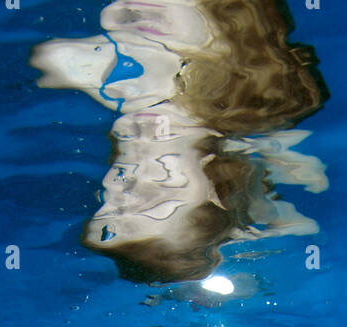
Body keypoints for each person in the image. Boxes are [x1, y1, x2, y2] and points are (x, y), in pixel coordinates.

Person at [29, 0, 330, 283]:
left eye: (114, 198)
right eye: (160, 192)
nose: (138, 171)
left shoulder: (76, 68)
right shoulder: (269, 98)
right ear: (214, 188)